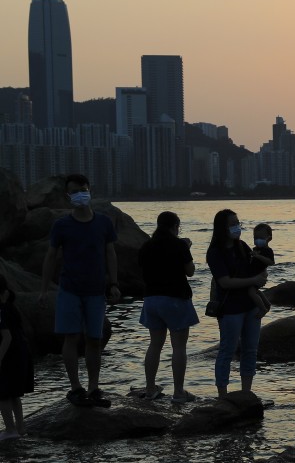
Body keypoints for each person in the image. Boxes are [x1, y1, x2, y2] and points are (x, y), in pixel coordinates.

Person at [40, 174, 119, 408]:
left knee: (94, 339)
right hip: (69, 289)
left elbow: (111, 253)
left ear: (90, 190)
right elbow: (51, 256)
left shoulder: (103, 222)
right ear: (68, 196)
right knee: (71, 337)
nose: (79, 194)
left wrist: (114, 283)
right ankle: (75, 388)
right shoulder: (62, 225)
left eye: (82, 189)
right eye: (74, 192)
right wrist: (43, 289)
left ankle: (94, 387)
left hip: (95, 290)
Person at [138, 211, 199, 403]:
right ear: (175, 226)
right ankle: (179, 392)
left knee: (155, 345)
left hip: (151, 299)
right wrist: (187, 247)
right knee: (179, 347)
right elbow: (190, 271)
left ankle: (150, 389)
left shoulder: (146, 246)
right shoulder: (179, 244)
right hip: (175, 299)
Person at [206, 209, 267, 398]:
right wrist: (254, 280)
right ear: (222, 227)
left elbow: (257, 269)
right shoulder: (215, 253)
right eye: (233, 223)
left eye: (238, 222)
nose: (237, 227)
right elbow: (225, 282)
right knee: (227, 350)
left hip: (250, 306)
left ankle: (246, 393)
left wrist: (261, 276)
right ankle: (222, 396)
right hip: (230, 308)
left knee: (250, 350)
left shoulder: (242, 246)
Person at [0, 275, 33, 440]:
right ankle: (20, 428)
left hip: (8, 356)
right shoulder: (10, 307)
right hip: (21, 354)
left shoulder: (0, 309)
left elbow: (6, 337)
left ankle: (10, 429)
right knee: (14, 394)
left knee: (3, 394)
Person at [249, 223, 275, 317]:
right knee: (256, 291)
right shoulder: (255, 249)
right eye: (255, 238)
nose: (257, 240)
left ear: (269, 238)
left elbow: (271, 262)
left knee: (251, 292)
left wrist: (258, 256)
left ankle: (262, 309)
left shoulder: (268, 250)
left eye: (260, 238)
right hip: (253, 274)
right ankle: (267, 304)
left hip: (258, 274)